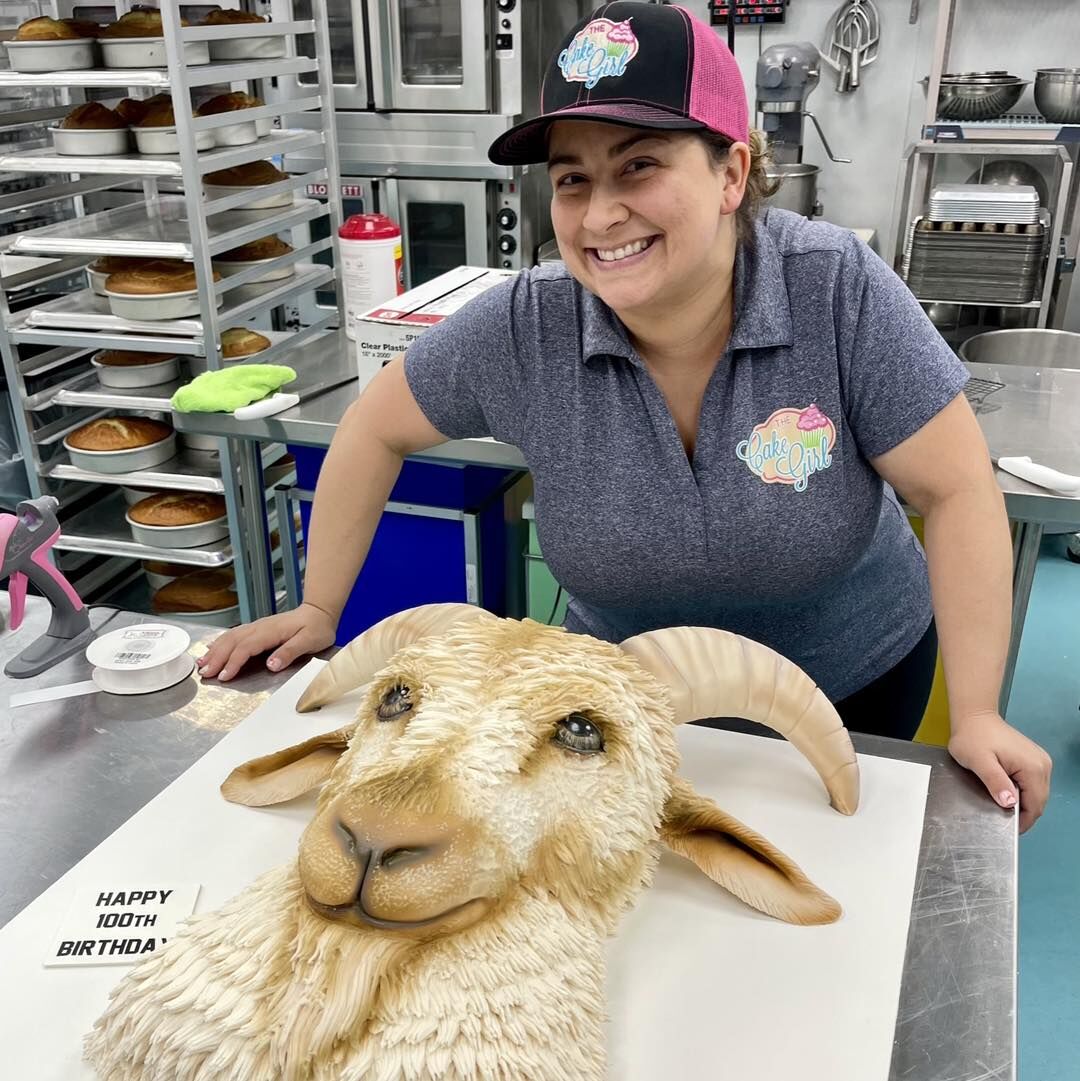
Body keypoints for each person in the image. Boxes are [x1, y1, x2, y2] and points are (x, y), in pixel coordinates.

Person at [199, 3, 1051, 831]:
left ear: (731, 173)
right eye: (573, 179)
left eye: (639, 165)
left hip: (848, 684)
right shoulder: (526, 329)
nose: (602, 215)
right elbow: (372, 428)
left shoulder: (834, 291)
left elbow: (955, 490)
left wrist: (976, 711)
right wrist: (318, 611)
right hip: (621, 698)